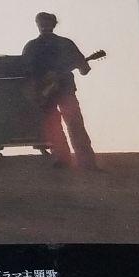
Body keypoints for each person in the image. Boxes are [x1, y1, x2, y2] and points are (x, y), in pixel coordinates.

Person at [21, 12, 99, 170]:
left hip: (48, 92)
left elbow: (25, 72)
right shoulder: (66, 44)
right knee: (74, 123)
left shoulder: (31, 46)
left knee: (54, 125)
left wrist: (38, 85)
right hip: (64, 90)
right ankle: (86, 161)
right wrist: (79, 65)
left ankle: (62, 159)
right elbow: (84, 70)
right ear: (54, 24)